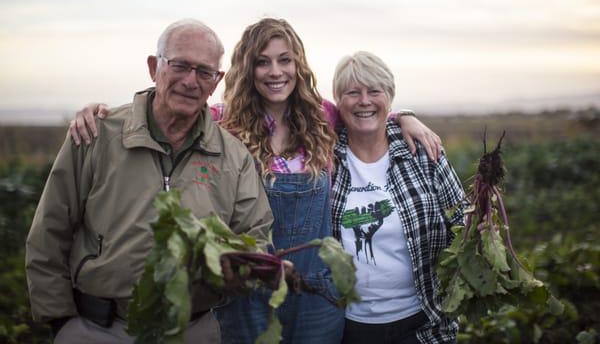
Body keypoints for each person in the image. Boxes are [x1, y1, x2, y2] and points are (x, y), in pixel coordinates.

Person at [68, 18, 443, 343]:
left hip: (315, 291)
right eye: (262, 62)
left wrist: (405, 116)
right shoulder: (221, 121)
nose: (275, 72)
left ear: (298, 65)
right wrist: (102, 112)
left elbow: (367, 110)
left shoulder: (323, 117)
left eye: (284, 60)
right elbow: (166, 110)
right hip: (244, 290)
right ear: (247, 69)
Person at [25, 19, 274, 344]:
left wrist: (242, 269)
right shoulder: (97, 135)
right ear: (154, 67)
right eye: (180, 65)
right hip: (98, 329)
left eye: (204, 72)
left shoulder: (233, 156)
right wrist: (60, 321)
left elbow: (257, 236)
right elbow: (49, 231)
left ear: (217, 82)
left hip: (191, 330)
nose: (190, 80)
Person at [330, 51, 467, 344]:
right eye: (353, 92)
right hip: (351, 327)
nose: (364, 101)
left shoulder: (423, 154)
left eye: (374, 91)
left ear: (389, 98)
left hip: (422, 323)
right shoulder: (324, 161)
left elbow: (461, 220)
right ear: (338, 102)